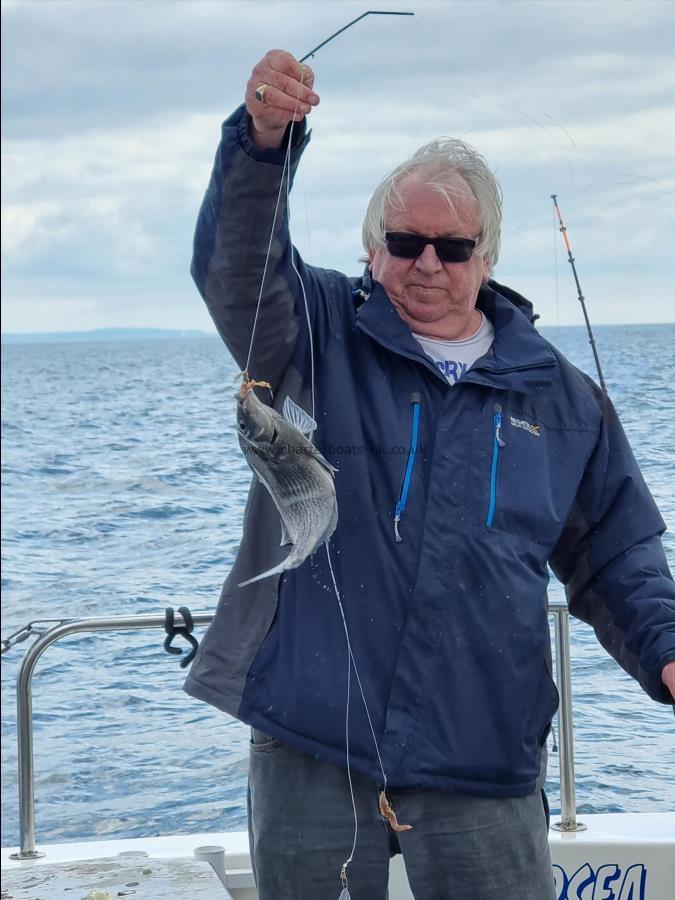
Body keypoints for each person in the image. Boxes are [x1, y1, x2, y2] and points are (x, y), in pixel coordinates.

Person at [184, 50, 675, 900]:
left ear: (486, 255)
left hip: (481, 749)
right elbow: (238, 265)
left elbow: (617, 557)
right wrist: (264, 143)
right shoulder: (312, 332)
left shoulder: (563, 400)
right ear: (372, 249)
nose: (426, 264)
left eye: (451, 247)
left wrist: (666, 651)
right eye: (404, 242)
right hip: (313, 741)